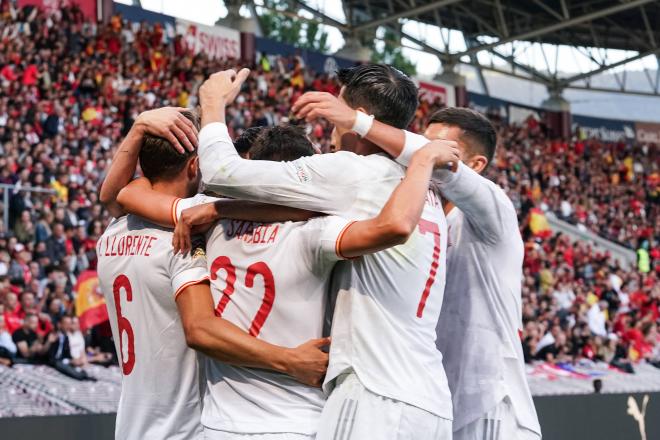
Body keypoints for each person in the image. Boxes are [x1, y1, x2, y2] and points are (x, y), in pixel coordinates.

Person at [109, 122, 458, 440]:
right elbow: (390, 228)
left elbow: (123, 194)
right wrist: (421, 163)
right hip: (299, 422)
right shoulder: (318, 230)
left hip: (219, 424)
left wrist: (143, 130)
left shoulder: (207, 222)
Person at [195, 65, 455, 439]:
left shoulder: (352, 171)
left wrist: (212, 102)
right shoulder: (422, 180)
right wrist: (221, 209)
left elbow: (221, 172)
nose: (332, 128)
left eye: (338, 112)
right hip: (429, 398)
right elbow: (307, 208)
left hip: (374, 393)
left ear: (357, 118)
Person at [291, 96, 542, 440]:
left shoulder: (493, 210)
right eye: (424, 141)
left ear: (477, 164)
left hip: (491, 405)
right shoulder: (424, 214)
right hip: (436, 405)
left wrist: (357, 121)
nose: (424, 153)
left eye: (437, 146)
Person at [98, 108, 333, 440]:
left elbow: (114, 195)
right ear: (195, 165)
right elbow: (201, 330)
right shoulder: (189, 232)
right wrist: (289, 360)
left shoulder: (113, 229)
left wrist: (137, 130)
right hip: (185, 427)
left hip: (132, 425)